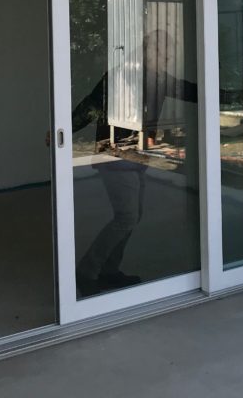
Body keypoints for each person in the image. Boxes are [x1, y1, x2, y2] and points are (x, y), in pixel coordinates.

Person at [73, 28, 196, 298]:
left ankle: (108, 271)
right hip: (114, 155)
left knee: (131, 216)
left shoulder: (159, 79)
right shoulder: (119, 76)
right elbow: (91, 106)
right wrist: (63, 129)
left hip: (137, 156)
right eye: (163, 53)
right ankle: (86, 272)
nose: (167, 59)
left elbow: (188, 90)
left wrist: (234, 95)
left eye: (169, 54)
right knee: (127, 216)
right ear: (148, 50)